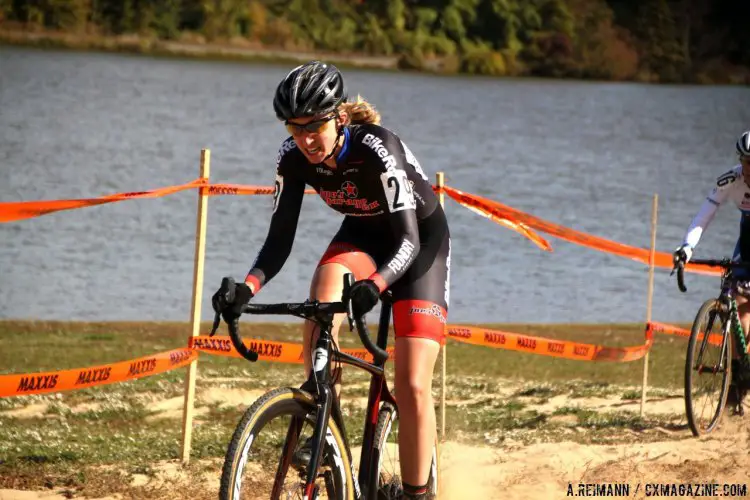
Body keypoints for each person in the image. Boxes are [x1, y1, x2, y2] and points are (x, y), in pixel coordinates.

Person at [212, 61, 450, 500]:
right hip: (361, 233)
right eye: (293, 128)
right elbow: (278, 243)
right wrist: (245, 288)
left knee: (413, 382)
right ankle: (323, 425)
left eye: (314, 127)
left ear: (339, 118)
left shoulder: (379, 149)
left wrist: (376, 286)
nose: (304, 139)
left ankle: (420, 494)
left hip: (417, 244)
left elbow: (409, 241)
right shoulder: (292, 158)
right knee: (323, 291)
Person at [674, 130, 750, 396]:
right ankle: (738, 375)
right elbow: (704, 215)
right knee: (739, 304)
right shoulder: (731, 179)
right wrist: (687, 248)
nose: (749, 168)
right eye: (746, 161)